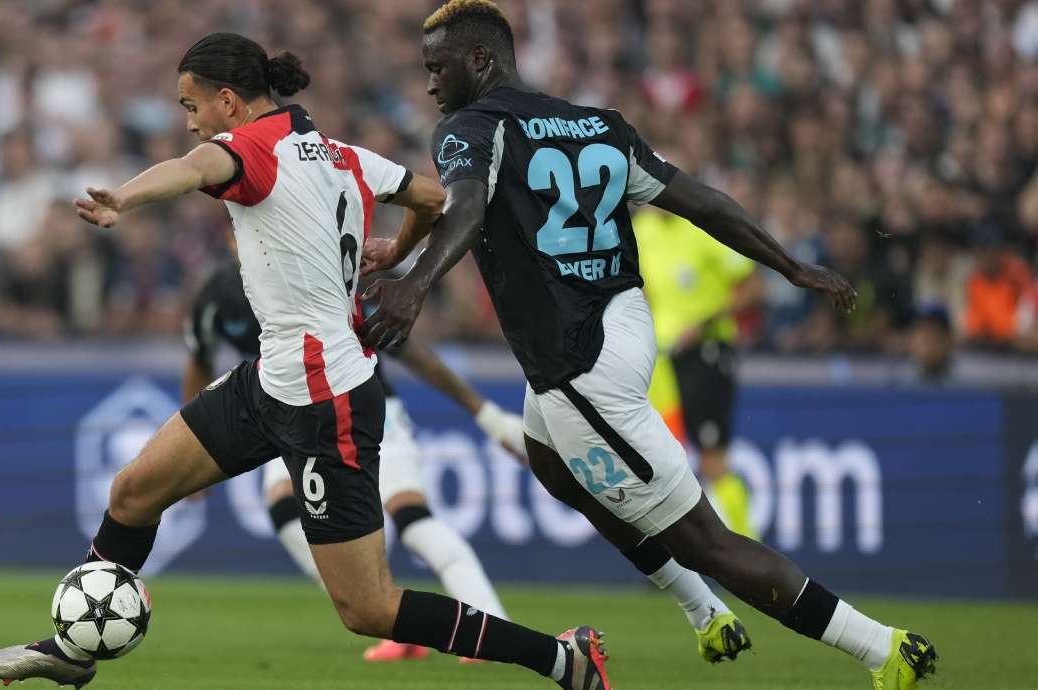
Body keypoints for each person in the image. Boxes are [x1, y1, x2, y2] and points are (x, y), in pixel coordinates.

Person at [0, 31, 611, 690]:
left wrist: (124, 198)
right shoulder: (342, 154)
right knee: (134, 493)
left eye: (192, 107)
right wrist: (399, 254)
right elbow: (433, 199)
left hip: (325, 397)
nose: (190, 124)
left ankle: (560, 659)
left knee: (368, 609)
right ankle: (74, 651)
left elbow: (192, 169)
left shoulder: (252, 148)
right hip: (271, 378)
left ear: (227, 101)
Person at [359, 2, 938, 689]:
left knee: (707, 541)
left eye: (437, 66)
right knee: (552, 463)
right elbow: (701, 201)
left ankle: (884, 649)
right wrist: (787, 264)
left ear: (480, 60)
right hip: (623, 323)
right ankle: (705, 614)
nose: (429, 84)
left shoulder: (467, 127)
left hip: (576, 362)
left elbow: (467, 208)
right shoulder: (597, 125)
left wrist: (414, 284)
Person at [181, 254, 525, 662]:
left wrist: (485, 415)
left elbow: (411, 352)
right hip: (289, 417)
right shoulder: (215, 298)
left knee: (411, 518)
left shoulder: (315, 274)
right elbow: (198, 360)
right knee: (282, 506)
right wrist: (197, 457)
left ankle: (489, 626)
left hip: (366, 410)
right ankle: (395, 621)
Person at [634, 208, 764, 538]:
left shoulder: (705, 227)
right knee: (661, 462)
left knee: (712, 461)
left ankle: (752, 550)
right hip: (660, 364)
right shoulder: (640, 228)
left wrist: (707, 320)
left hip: (705, 354)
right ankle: (672, 556)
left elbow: (752, 289)